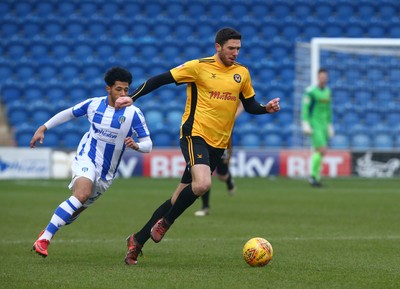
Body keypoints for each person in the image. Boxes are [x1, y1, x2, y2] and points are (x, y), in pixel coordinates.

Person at [115, 27, 281, 265]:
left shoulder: (241, 73)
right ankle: (166, 223)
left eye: (238, 49)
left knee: (177, 198)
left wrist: (266, 108)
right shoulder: (198, 67)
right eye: (231, 48)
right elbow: (160, 79)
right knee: (202, 184)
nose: (235, 52)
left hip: (219, 143)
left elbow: (250, 104)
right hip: (195, 135)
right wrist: (134, 96)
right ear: (218, 47)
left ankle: (137, 240)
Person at [30, 67, 153, 257]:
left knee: (75, 210)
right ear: (108, 89)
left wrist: (137, 146)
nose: (123, 94)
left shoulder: (134, 113)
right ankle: (44, 239)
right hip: (87, 157)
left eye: (126, 90)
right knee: (82, 193)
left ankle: (52, 227)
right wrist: (43, 127)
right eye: (118, 89)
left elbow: (148, 144)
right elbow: (69, 113)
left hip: (107, 173)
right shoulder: (93, 105)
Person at [194, 103, 244, 217]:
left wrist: (232, 115)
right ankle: (205, 207)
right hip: (204, 141)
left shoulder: (228, 110)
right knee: (204, 174)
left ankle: (228, 180)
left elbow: (241, 105)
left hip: (222, 142)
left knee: (222, 175)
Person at [301, 68, 334, 187]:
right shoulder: (311, 91)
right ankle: (313, 176)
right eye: (321, 76)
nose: (323, 78)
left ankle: (316, 177)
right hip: (315, 124)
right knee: (322, 150)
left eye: (325, 76)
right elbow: (305, 108)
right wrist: (305, 123)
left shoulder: (328, 92)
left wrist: (330, 124)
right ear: (317, 77)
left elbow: (328, 110)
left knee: (320, 152)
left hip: (324, 125)